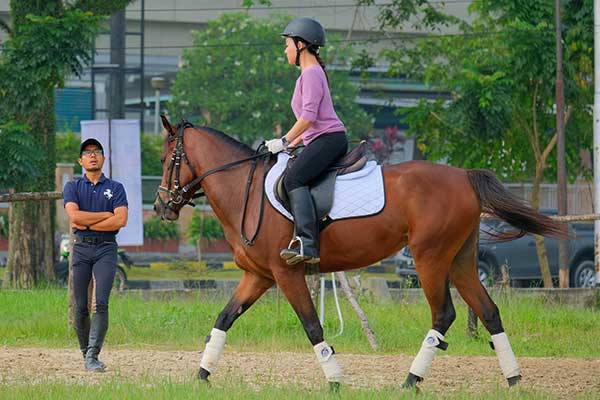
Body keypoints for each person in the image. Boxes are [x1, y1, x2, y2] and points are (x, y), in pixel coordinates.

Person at [266, 17, 348, 266]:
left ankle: (307, 243)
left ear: (301, 45)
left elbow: (309, 117)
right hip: (321, 139)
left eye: (288, 44)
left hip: (329, 139)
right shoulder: (308, 75)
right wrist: (291, 144)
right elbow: (310, 122)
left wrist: (283, 140)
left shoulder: (311, 74)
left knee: (294, 179)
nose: (285, 49)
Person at [63, 138, 128, 372]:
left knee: (100, 302)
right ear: (81, 160)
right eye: (88, 152)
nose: (93, 155)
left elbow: (120, 220)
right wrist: (104, 216)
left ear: (103, 158)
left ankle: (93, 355)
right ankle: (86, 354)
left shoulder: (116, 188)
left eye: (97, 152)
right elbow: (75, 218)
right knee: (80, 306)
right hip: (80, 248)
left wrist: (88, 221)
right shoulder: (72, 187)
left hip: (106, 248)